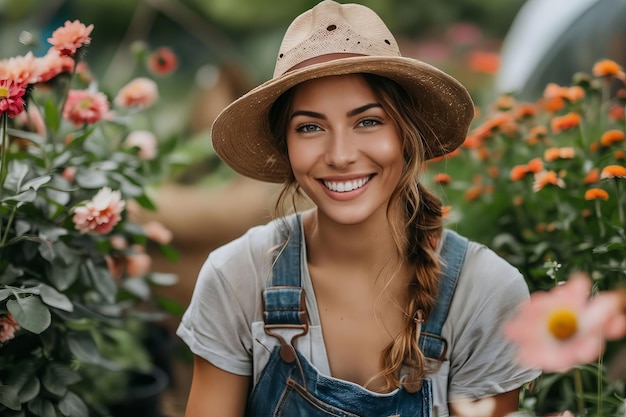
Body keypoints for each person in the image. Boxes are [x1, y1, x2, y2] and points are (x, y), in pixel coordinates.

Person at [177, 1, 540, 416]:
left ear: (407, 134)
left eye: (368, 121)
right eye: (310, 127)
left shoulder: (483, 293)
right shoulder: (237, 279)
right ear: (287, 146)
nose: (340, 154)